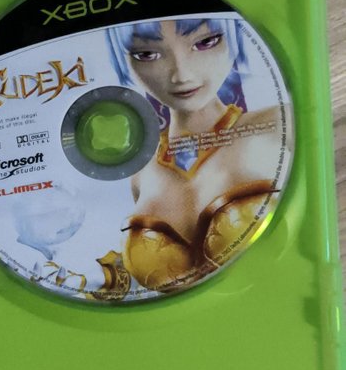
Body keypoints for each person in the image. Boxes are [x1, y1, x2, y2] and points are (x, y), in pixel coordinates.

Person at [105, 17, 291, 293]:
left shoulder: (280, 122)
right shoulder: (142, 171)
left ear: (232, 37)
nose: (181, 75)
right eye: (147, 54)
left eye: (206, 42)